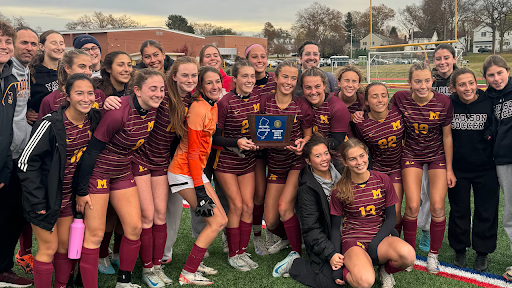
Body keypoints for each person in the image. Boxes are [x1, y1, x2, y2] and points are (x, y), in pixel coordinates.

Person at [75, 68, 164, 288]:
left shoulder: (153, 109)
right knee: (94, 235)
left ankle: (124, 282)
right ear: (137, 90)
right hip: (99, 173)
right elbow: (92, 152)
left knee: (134, 228)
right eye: (153, 89)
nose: (158, 94)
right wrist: (81, 190)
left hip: (123, 171)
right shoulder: (117, 113)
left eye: (161, 89)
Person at [18, 73, 101, 288]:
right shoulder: (51, 123)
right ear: (68, 96)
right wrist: (37, 201)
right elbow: (25, 163)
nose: (85, 98)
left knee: (64, 247)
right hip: (44, 198)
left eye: (90, 93)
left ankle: (61, 285)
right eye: (79, 93)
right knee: (49, 248)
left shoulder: (93, 119)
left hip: (68, 198)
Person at [134, 56, 198, 287]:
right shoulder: (163, 96)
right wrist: (112, 99)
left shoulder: (191, 99)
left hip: (161, 163)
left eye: (194, 75)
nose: (190, 80)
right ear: (174, 76)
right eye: (185, 75)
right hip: (140, 160)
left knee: (161, 215)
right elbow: (133, 102)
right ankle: (146, 268)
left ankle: (156, 266)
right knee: (147, 217)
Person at [393, 62, 455, 274]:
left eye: (426, 80)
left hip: (436, 155)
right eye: (417, 81)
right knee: (411, 207)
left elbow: (447, 135)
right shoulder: (400, 99)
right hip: (411, 155)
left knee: (438, 206)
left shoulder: (443, 101)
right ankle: (409, 254)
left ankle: (433, 255)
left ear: (432, 80)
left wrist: (449, 169)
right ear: (409, 82)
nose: (422, 85)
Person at [167, 66, 228, 285]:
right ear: (200, 86)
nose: (215, 86)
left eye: (217, 81)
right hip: (184, 171)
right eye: (209, 82)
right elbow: (192, 153)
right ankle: (188, 273)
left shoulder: (212, 106)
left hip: (195, 171)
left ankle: (196, 261)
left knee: (221, 220)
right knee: (215, 222)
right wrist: (200, 189)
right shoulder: (198, 109)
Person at [330, 139, 415, 288]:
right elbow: (336, 228)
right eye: (352, 159)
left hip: (379, 236)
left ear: (367, 155)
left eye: (362, 156)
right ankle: (351, 268)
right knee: (366, 282)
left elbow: (391, 218)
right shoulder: (339, 190)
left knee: (408, 256)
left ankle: (385, 271)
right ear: (344, 162)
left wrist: (375, 243)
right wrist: (337, 262)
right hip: (354, 240)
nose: (359, 162)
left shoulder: (383, 179)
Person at [261, 60, 313, 268]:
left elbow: (309, 135)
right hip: (274, 165)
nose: (289, 81)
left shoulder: (301, 105)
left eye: (293, 78)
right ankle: (290, 238)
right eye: (285, 77)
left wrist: (303, 144)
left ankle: (295, 251)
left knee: (284, 208)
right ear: (275, 77)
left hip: (295, 162)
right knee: (272, 221)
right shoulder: (264, 101)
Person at [448, 68, 499, 271]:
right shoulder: (449, 104)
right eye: (462, 84)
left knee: (486, 210)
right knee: (459, 210)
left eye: (471, 83)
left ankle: (482, 252)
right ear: (454, 87)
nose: (467, 88)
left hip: (486, 167)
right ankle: (460, 249)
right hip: (458, 168)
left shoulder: (489, 101)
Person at [213, 58, 260, 271]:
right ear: (235, 79)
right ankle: (233, 254)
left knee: (249, 206)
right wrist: (237, 142)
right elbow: (215, 139)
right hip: (227, 161)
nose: (249, 80)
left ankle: (242, 251)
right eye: (245, 76)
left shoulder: (258, 98)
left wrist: (261, 142)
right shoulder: (225, 102)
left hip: (248, 160)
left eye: (252, 76)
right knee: (237, 206)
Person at [93, 51, 134, 275]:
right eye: (121, 65)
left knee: (122, 213)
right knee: (108, 213)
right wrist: (101, 104)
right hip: (104, 161)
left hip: (128, 161)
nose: (127, 69)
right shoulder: (99, 92)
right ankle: (101, 254)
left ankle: (117, 252)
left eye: (129, 64)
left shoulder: (133, 90)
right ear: (108, 68)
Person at [286, 134, 344, 287]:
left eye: (326, 153)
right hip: (326, 238)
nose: (324, 158)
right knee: (332, 283)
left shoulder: (342, 169)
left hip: (349, 233)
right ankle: (295, 264)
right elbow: (311, 229)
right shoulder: (307, 188)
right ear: (308, 161)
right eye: (317, 156)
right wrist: (331, 253)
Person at [0, 20, 33, 288]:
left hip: (15, 158)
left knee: (13, 216)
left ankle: (3, 269)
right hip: (3, 161)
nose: (4, 46)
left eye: (6, 41)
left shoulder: (14, 75)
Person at [417, 44, 460, 252]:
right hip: (433, 144)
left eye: (446, 58)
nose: (442, 62)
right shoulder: (429, 80)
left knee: (457, 196)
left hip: (459, 140)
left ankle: (457, 237)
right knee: (429, 193)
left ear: (453, 58)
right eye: (438, 58)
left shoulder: (461, 77)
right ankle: (426, 230)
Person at [353, 82, 405, 235]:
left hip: (397, 168)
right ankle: (380, 242)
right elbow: (361, 150)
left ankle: (395, 240)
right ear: (367, 101)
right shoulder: (361, 123)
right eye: (374, 96)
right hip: (376, 170)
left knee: (395, 211)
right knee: (378, 211)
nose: (380, 100)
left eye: (383, 95)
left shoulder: (397, 111)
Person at [10, 26, 39, 274]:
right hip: (6, 154)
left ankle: (9, 262)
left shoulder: (26, 71)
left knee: (16, 212)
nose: (29, 47)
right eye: (24, 43)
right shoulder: (6, 70)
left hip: (20, 152)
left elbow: (21, 111)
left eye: (33, 43)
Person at [244, 44, 277, 255]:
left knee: (275, 194)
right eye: (254, 56)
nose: (259, 60)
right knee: (258, 194)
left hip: (276, 145)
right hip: (253, 147)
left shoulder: (275, 80)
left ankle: (273, 232)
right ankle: (257, 235)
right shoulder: (242, 81)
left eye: (262, 56)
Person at [481, 55, 512, 281]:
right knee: (510, 215)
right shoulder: (488, 98)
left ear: (507, 71)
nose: (496, 78)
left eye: (500, 72)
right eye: (491, 75)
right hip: (502, 160)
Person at [38, 49, 106, 119]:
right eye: (82, 66)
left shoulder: (98, 94)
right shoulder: (50, 101)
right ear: (67, 68)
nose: (88, 72)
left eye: (90, 68)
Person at [301, 66, 350, 153]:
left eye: (317, 86)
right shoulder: (301, 103)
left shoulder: (337, 107)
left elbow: (337, 142)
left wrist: (307, 143)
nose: (313, 92)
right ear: (302, 88)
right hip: (310, 152)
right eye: (308, 87)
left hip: (336, 154)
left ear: (324, 86)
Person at [27, 30, 64, 124]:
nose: (59, 47)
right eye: (54, 43)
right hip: (41, 126)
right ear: (41, 46)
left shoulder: (67, 72)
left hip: (64, 125)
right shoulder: (31, 73)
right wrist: (25, 113)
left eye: (61, 43)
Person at [333, 65, 365, 139]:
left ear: (358, 85)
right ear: (339, 83)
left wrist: (365, 113)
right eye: (346, 81)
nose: (350, 85)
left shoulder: (364, 102)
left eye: (354, 81)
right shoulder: (330, 100)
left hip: (357, 143)